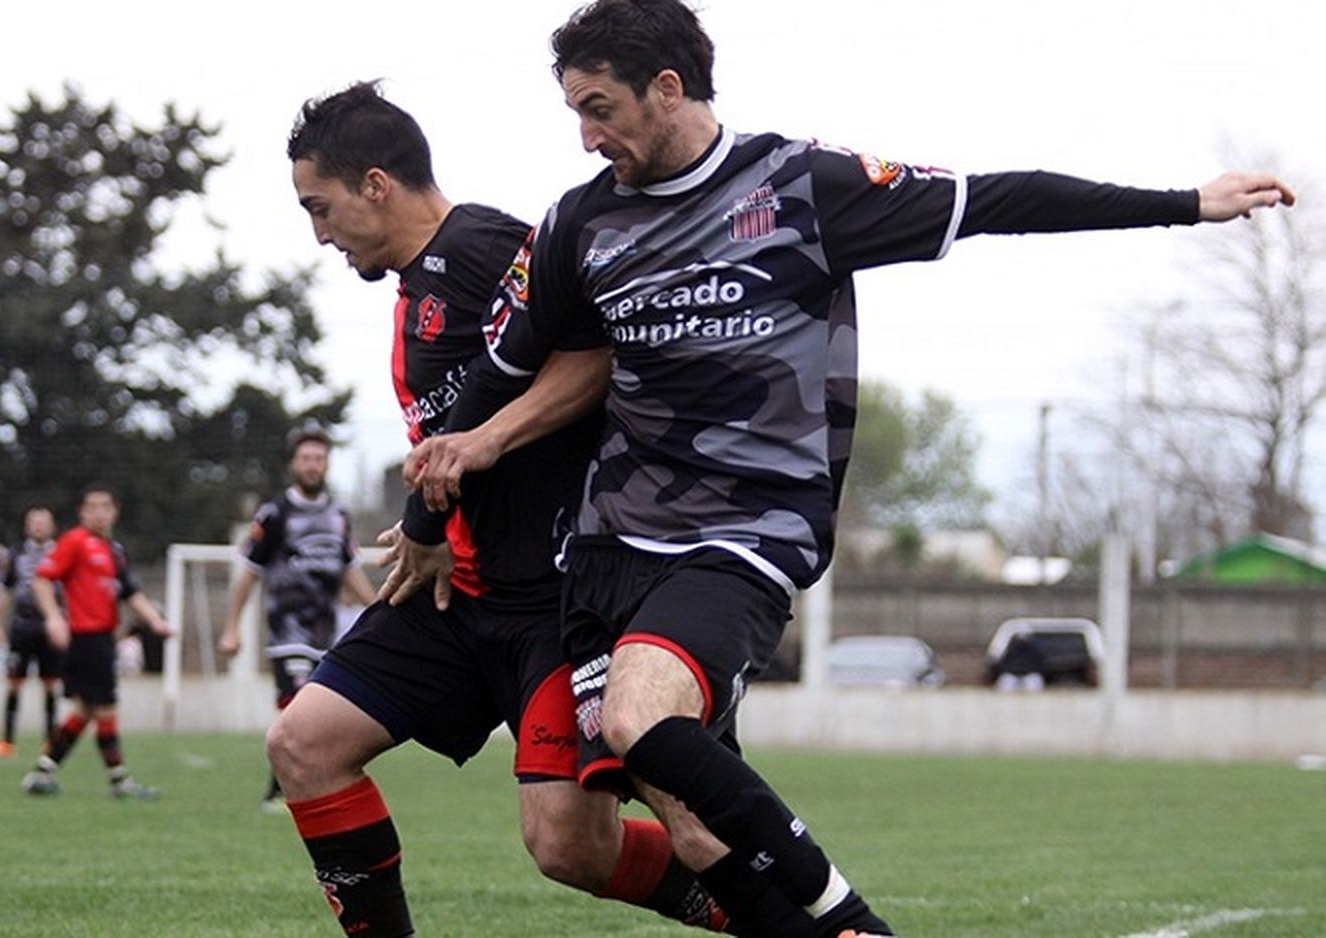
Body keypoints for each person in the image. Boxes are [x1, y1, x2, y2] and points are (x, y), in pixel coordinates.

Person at [399, 2, 1298, 935]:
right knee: (696, 827)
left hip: (745, 533)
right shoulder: (579, 226)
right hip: (608, 549)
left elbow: (997, 200)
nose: (586, 138)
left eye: (599, 108)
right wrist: (430, 516)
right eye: (574, 114)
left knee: (638, 719)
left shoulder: (799, 186)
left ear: (667, 90)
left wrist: (1185, 205)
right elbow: (503, 373)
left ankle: (847, 911)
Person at [265, 82, 738, 938]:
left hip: (553, 602)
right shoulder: (415, 288)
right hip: (455, 595)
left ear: (377, 184)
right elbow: (456, 445)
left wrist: (485, 444)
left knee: (569, 846)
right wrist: (436, 527)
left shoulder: (485, 247)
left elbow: (596, 352)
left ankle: (784, 913)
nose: (319, 233)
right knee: (304, 744)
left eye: (320, 207)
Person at [217, 422, 378, 811]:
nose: (312, 465)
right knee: (297, 704)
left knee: (319, 712)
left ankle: (294, 789)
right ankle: (280, 792)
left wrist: (378, 612)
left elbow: (349, 569)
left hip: (326, 630)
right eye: (306, 458)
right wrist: (231, 628)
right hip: (287, 629)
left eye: (319, 458)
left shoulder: (338, 515)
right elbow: (248, 576)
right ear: (293, 463)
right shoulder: (275, 514)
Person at [21, 483, 174, 799]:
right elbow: (41, 579)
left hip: (103, 638)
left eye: (105, 506)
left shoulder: (114, 551)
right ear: (82, 512)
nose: (99, 513)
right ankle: (119, 782)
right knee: (104, 707)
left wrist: (156, 621)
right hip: (85, 637)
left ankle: (43, 772)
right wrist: (53, 617)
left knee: (85, 711)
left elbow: (131, 593)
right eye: (92, 507)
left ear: (115, 511)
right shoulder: (75, 542)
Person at [0, 505, 62, 759]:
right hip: (22, 626)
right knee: (15, 682)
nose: (39, 527)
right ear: (27, 527)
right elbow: (4, 592)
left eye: (43, 522)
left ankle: (50, 742)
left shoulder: (62, 554)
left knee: (51, 683)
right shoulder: (15, 555)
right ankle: (7, 741)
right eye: (34, 522)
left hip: (50, 626)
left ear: (52, 527)